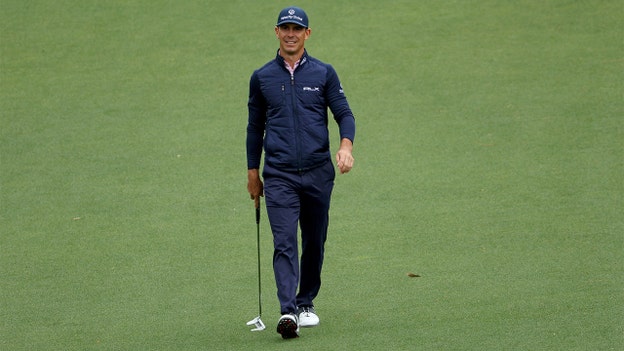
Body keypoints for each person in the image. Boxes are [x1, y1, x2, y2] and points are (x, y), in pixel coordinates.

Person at [246, 6, 356, 339]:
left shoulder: (324, 73)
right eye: (285, 28)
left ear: (307, 34)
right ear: (276, 32)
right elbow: (254, 128)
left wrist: (346, 146)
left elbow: (344, 114)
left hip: (319, 171)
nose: (291, 34)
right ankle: (288, 312)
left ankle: (306, 301)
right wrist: (253, 172)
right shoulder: (262, 77)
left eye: (297, 28)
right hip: (279, 174)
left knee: (314, 240)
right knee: (284, 242)